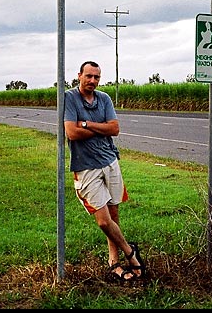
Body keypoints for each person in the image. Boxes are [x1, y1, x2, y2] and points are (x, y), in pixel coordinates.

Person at [64, 60, 145, 281]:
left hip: (110, 161)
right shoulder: (69, 98)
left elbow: (115, 129)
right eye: (88, 76)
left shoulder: (104, 98)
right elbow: (71, 132)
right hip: (86, 166)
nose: (92, 81)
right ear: (79, 75)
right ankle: (131, 253)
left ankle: (114, 262)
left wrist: (87, 124)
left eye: (96, 77)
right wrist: (100, 129)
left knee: (114, 215)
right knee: (103, 220)